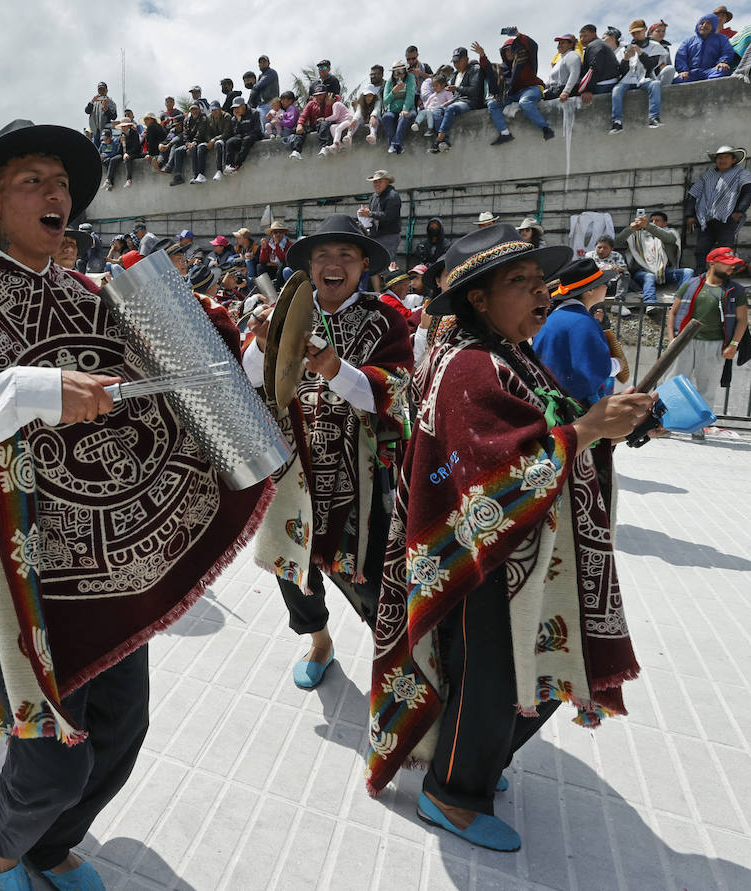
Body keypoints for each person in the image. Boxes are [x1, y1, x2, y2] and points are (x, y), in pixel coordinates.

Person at [0, 119, 268, 891]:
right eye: (34, 182)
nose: (57, 195)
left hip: (113, 554)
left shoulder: (94, 295)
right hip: (16, 562)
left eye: (63, 185)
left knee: (121, 729)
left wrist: (237, 338)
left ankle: (52, 847)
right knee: (51, 751)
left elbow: (191, 374)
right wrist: (40, 391)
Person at [367, 224, 648, 851]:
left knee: (508, 673)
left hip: (508, 554)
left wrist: (607, 422)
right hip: (484, 557)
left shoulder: (502, 351)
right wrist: (586, 432)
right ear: (478, 299)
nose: (538, 296)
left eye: (538, 283)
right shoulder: (472, 364)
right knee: (490, 677)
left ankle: (471, 767)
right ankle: (451, 795)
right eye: (518, 284)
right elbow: (493, 469)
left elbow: (540, 423)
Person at [242, 215, 413, 689]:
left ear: (363, 265)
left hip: (361, 479)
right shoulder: (284, 309)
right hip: (292, 470)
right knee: (291, 570)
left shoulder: (385, 318)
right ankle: (319, 641)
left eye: (345, 255)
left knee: (378, 580)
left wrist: (337, 370)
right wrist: (262, 342)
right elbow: (251, 379)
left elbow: (396, 391)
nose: (332, 264)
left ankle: (401, 663)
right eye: (322, 255)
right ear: (308, 265)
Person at [666, 246, 750, 413]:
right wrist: (672, 340)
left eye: (733, 264)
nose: (731, 267)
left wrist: (733, 344)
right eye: (727, 263)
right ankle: (665, 425)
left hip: (715, 345)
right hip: (684, 342)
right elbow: (673, 313)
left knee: (707, 389)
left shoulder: (736, 291)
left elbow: (742, 320)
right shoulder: (690, 285)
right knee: (673, 385)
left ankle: (699, 427)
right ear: (712, 263)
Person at [533, 257, 623, 405]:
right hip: (570, 403)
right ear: (591, 290)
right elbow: (594, 369)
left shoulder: (556, 316)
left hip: (550, 396)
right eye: (603, 283)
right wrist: (618, 364)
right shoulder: (582, 322)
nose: (606, 287)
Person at [685, 145, 751, 274]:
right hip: (706, 220)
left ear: (733, 160)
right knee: (701, 250)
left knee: (724, 251)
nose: (722, 160)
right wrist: (690, 215)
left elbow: (749, 192)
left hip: (728, 219)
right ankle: (701, 276)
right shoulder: (709, 175)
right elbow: (693, 194)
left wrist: (739, 211)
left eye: (726, 157)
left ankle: (723, 278)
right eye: (720, 157)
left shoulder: (741, 174)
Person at [478, 32, 555, 145]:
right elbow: (489, 70)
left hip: (531, 88)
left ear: (517, 50)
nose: (509, 52)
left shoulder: (526, 60)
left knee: (525, 102)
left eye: (511, 49)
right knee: (492, 104)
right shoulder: (502, 68)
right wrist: (482, 56)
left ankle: (545, 128)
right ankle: (505, 134)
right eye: (506, 50)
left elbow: (533, 46)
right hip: (513, 94)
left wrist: (518, 35)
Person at [616, 210, 693, 308]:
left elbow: (668, 238)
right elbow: (616, 243)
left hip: (664, 273)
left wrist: (648, 226)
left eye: (657, 221)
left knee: (688, 272)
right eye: (651, 221)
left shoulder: (671, 232)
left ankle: (677, 302)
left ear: (665, 223)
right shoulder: (636, 235)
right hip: (642, 273)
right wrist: (630, 229)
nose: (654, 223)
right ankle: (650, 303)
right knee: (649, 276)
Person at [611, 20, 665, 132]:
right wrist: (625, 59)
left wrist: (640, 53)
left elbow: (651, 65)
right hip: (627, 81)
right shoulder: (624, 49)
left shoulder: (655, 46)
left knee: (655, 84)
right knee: (616, 90)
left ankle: (654, 118)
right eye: (633, 33)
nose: (636, 35)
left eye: (638, 32)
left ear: (645, 29)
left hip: (645, 79)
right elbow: (619, 72)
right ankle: (617, 122)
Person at [432, 47, 486, 153]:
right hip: (458, 101)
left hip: (471, 102)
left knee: (451, 108)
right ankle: (445, 141)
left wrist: (457, 88)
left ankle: (438, 140)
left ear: (466, 59)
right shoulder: (455, 75)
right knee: (437, 111)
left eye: (458, 61)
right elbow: (457, 95)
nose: (456, 64)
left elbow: (475, 90)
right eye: (454, 62)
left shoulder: (475, 69)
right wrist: (450, 101)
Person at [288, 85, 349, 159]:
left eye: (321, 95)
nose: (318, 97)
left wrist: (327, 105)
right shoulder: (311, 103)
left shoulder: (333, 103)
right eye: (316, 95)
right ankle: (296, 152)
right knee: (300, 129)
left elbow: (330, 118)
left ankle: (324, 148)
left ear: (325, 94)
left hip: (324, 125)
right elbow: (303, 115)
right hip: (313, 125)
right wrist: (300, 124)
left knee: (324, 124)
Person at [675, 12, 736, 81]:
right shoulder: (688, 41)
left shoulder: (721, 38)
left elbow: (727, 51)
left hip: (711, 71)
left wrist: (722, 62)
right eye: (702, 23)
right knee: (679, 79)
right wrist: (683, 70)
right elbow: (680, 57)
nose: (704, 25)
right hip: (691, 73)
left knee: (723, 70)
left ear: (714, 26)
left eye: (708, 23)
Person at [361, 170, 402, 268]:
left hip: (389, 236)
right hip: (375, 235)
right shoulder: (374, 196)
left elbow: (389, 216)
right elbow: (372, 214)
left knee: (388, 264)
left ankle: (391, 283)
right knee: (375, 265)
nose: (377, 184)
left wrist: (370, 214)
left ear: (387, 182)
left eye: (380, 181)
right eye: (375, 182)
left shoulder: (393, 196)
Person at [378, 61, 417, 154]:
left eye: (401, 71)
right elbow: (385, 101)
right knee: (386, 117)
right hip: (393, 111)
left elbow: (410, 96)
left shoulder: (410, 78)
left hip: (408, 110)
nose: (399, 74)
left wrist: (405, 109)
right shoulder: (389, 82)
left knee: (404, 117)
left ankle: (395, 144)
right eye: (396, 72)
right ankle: (396, 146)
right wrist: (394, 92)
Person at [577, 24, 621, 98]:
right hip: (609, 82)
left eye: (585, 36)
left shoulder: (594, 45)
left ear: (594, 34)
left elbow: (594, 68)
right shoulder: (600, 44)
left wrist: (588, 90)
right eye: (580, 37)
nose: (582, 39)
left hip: (603, 85)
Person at [224, 96, 263, 173]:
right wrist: (238, 121)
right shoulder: (234, 118)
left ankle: (237, 164)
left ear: (243, 106)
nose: (236, 110)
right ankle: (229, 165)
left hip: (253, 136)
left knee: (247, 139)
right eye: (234, 108)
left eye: (238, 108)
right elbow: (236, 133)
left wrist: (243, 135)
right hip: (242, 137)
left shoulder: (254, 113)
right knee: (230, 142)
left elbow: (257, 130)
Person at [548, 34, 583, 102]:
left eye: (563, 43)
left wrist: (566, 91)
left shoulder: (571, 55)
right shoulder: (561, 58)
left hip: (564, 93)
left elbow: (574, 73)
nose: (559, 46)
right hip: (555, 92)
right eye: (559, 43)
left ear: (571, 45)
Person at [84, 82, 117, 149]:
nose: (101, 91)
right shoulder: (93, 101)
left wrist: (106, 109)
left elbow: (114, 117)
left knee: (106, 148)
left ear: (107, 90)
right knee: (96, 148)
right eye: (100, 89)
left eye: (103, 89)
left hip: (106, 129)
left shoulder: (110, 102)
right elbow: (87, 111)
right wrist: (92, 101)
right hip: (95, 129)